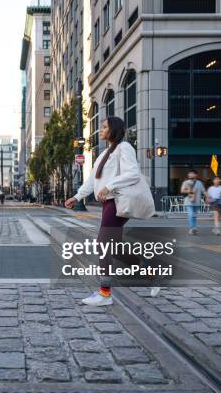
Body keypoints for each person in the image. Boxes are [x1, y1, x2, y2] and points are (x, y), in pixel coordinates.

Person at [65, 116, 156, 306]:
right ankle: (148, 270)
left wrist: (109, 186)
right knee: (114, 246)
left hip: (116, 201)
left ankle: (105, 293)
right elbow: (92, 180)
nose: (101, 130)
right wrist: (77, 197)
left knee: (103, 244)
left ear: (114, 129)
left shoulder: (125, 148)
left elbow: (132, 173)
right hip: (108, 203)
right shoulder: (104, 154)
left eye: (105, 127)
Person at [181, 169, 206, 235]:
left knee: (194, 216)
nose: (190, 174)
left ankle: (194, 228)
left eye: (192, 173)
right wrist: (189, 191)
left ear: (196, 175)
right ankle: (192, 228)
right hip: (188, 202)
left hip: (196, 202)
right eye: (189, 173)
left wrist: (208, 197)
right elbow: (182, 191)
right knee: (191, 215)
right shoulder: (186, 182)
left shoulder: (199, 183)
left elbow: (203, 191)